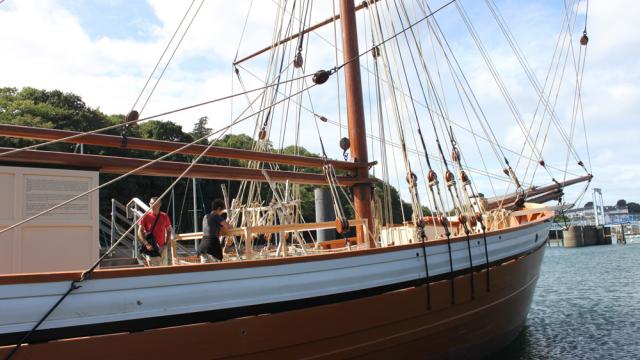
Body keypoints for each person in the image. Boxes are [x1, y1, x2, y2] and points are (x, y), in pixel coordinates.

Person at [138, 197, 173, 266]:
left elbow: (169, 230)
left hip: (162, 248)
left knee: (164, 268)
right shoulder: (145, 216)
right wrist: (147, 244)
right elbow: (139, 232)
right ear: (149, 204)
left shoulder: (164, 216)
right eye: (152, 203)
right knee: (154, 270)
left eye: (156, 204)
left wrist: (166, 244)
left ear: (160, 205)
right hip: (152, 248)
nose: (154, 205)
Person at [198, 199, 230, 263]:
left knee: (205, 269)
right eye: (222, 211)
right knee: (217, 267)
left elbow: (211, 227)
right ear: (219, 209)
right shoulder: (216, 216)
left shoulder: (205, 216)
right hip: (212, 244)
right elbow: (228, 226)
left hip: (203, 245)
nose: (221, 213)